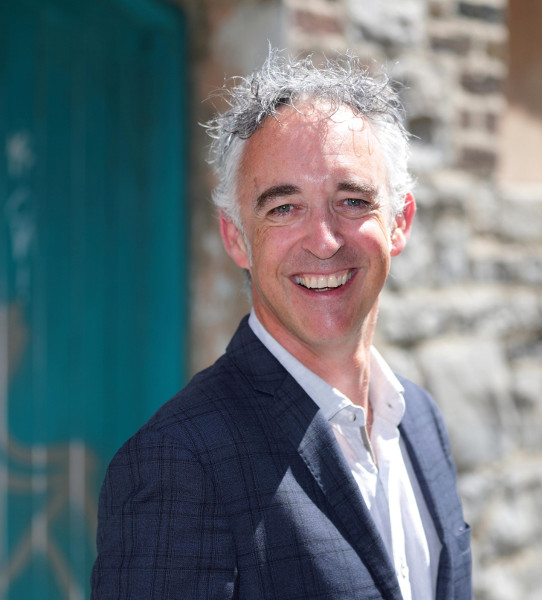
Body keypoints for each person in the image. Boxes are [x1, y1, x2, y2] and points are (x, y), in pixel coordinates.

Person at [91, 50, 472, 600]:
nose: (324, 240)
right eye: (283, 208)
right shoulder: (179, 464)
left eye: (352, 200)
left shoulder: (420, 421)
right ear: (236, 238)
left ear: (399, 222)